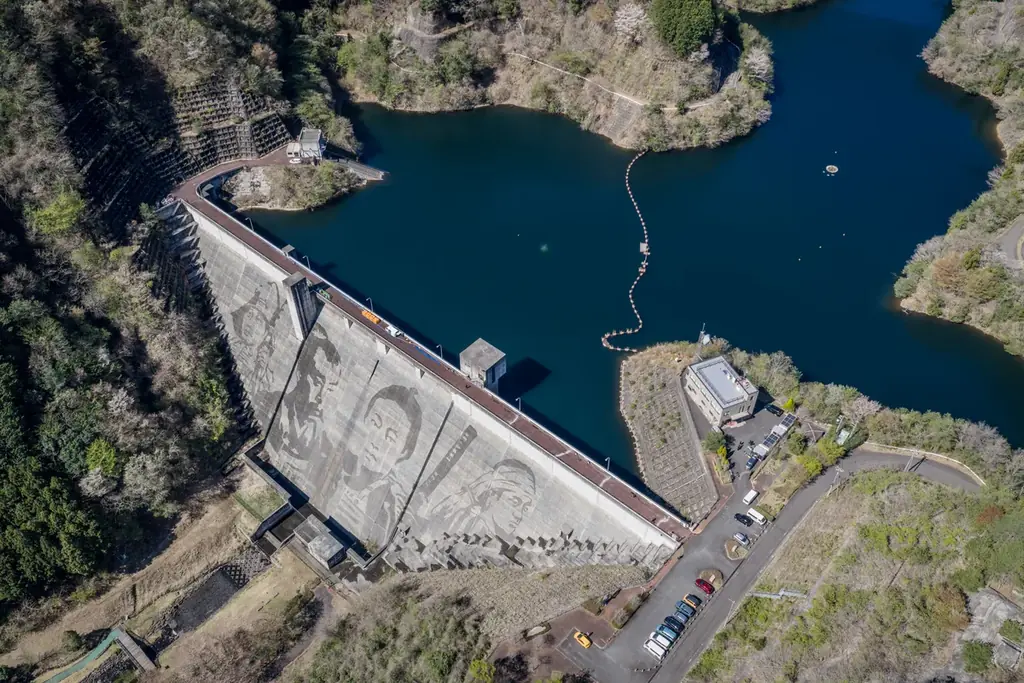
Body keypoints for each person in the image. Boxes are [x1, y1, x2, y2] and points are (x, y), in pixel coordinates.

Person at [267, 326, 341, 479]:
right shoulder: (272, 405)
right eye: (319, 382)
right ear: (302, 373)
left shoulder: (323, 436)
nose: (321, 396)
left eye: (330, 388)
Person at [427, 459, 537, 541]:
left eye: (525, 508)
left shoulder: (504, 542)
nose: (519, 515)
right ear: (491, 495)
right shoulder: (464, 521)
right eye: (514, 502)